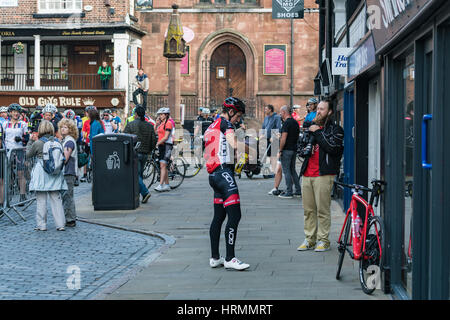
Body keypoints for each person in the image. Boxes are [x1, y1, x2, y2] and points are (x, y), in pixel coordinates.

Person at [204, 97, 250, 271]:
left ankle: (215, 257)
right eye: (237, 116)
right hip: (224, 175)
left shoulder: (211, 125)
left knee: (218, 217)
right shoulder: (226, 124)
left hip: (213, 175)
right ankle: (230, 258)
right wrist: (250, 148)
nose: (238, 120)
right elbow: (233, 143)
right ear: (230, 112)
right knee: (235, 216)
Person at [297, 99, 344, 252]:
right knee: (308, 210)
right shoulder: (309, 128)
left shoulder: (336, 130)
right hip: (307, 173)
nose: (318, 111)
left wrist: (317, 132)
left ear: (330, 112)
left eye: (322, 109)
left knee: (323, 210)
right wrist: (305, 144)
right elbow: (301, 148)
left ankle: (323, 240)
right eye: (317, 109)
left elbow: (332, 149)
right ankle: (310, 239)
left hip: (324, 174)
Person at [26, 120, 67, 231]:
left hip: (41, 171)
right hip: (54, 172)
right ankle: (60, 224)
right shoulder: (57, 141)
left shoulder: (38, 143)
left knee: (41, 199)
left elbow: (28, 154)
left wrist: (30, 141)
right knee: (56, 199)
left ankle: (41, 225)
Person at [123, 105, 157, 204]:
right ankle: (137, 195)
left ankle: (145, 192)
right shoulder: (149, 126)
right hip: (145, 153)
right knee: (139, 175)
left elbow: (125, 138)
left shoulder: (131, 124)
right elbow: (154, 140)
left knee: (135, 174)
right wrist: (149, 150)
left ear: (136, 114)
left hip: (135, 153)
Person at [3, 103, 30, 205]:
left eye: (17, 112)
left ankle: (22, 196)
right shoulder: (5, 124)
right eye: (14, 112)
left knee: (20, 174)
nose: (16, 113)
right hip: (7, 151)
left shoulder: (23, 124)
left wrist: (22, 139)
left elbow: (26, 138)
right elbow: (2, 137)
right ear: (10, 113)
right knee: (8, 174)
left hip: (19, 151)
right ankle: (7, 197)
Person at [277, 106, 301, 199]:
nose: (280, 114)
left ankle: (289, 191)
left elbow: (283, 138)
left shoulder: (286, 123)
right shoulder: (295, 122)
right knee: (292, 170)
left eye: (280, 112)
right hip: (294, 149)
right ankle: (298, 191)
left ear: (284, 112)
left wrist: (280, 150)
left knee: (286, 170)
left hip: (286, 150)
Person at [58, 119, 78, 228]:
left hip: (68, 171)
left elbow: (65, 158)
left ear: (70, 129)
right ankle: (70, 217)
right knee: (67, 195)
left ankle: (70, 219)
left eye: (65, 127)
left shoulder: (69, 141)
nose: (62, 129)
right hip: (67, 171)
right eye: (62, 127)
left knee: (67, 196)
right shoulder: (66, 140)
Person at [154, 108, 174, 192]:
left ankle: (161, 185)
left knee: (163, 165)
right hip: (161, 146)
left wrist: (157, 143)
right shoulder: (161, 124)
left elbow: (166, 137)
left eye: (161, 114)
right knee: (163, 166)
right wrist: (156, 124)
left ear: (166, 115)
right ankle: (167, 185)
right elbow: (155, 132)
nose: (160, 116)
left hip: (167, 145)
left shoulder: (168, 123)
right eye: (159, 115)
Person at [262, 104, 282, 177]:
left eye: (266, 109)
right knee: (267, 156)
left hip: (273, 139)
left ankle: (274, 172)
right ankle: (266, 171)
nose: (265, 110)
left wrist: (273, 137)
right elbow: (263, 127)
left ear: (270, 110)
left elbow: (278, 128)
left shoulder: (276, 117)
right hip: (266, 139)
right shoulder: (266, 118)